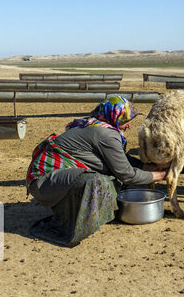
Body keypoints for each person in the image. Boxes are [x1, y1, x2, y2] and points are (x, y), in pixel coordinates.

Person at [25, 96, 166, 246]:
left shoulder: (96, 126)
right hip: (44, 181)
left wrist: (145, 167)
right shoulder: (106, 134)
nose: (129, 125)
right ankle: (68, 222)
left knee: (107, 179)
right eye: (125, 120)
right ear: (114, 117)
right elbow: (126, 174)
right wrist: (160, 175)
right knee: (94, 181)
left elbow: (120, 159)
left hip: (53, 179)